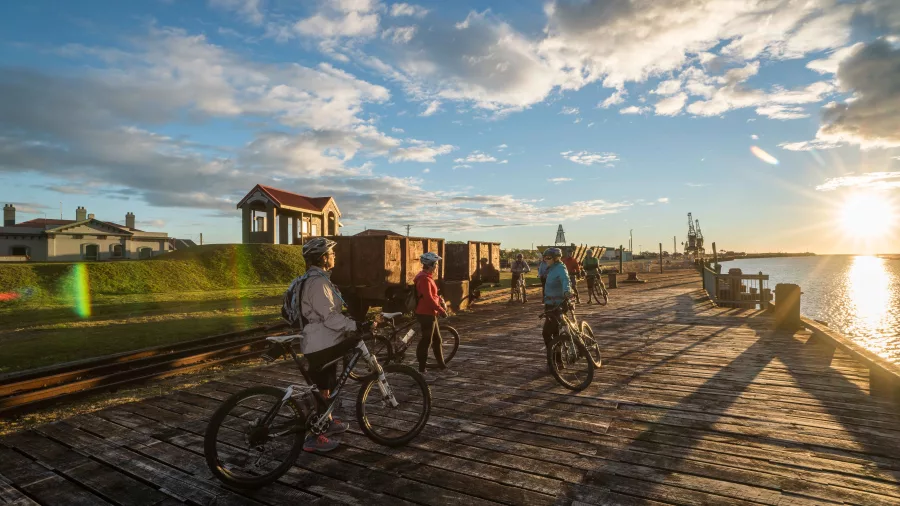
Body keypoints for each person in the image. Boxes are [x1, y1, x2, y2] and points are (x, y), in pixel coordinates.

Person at [295, 237, 369, 453]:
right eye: (332, 253)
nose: (335, 256)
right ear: (323, 257)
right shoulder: (317, 283)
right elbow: (329, 317)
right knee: (322, 389)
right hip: (321, 342)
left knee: (326, 386)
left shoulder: (315, 279)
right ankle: (313, 436)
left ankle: (325, 420)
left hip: (323, 340)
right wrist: (354, 326)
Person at [414, 252, 456, 380]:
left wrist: (440, 299)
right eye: (436, 264)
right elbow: (428, 298)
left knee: (437, 341)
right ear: (430, 265)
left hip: (430, 313)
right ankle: (421, 371)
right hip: (426, 313)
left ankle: (442, 367)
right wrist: (441, 310)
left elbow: (432, 295)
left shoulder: (427, 276)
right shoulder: (424, 278)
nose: (437, 266)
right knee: (426, 342)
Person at [541, 247, 571, 349]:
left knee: (546, 333)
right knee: (554, 332)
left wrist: (566, 291)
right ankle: (557, 360)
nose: (546, 260)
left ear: (556, 258)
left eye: (548, 258)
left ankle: (553, 359)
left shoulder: (560, 268)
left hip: (557, 304)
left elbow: (565, 280)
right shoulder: (552, 268)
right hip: (550, 304)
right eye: (545, 258)